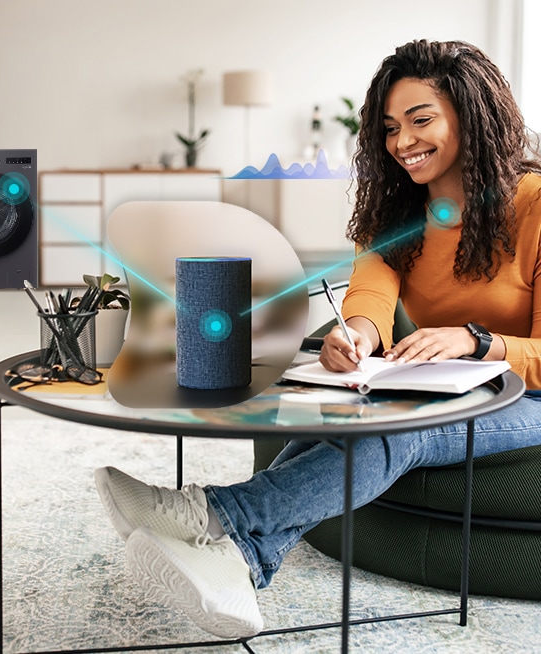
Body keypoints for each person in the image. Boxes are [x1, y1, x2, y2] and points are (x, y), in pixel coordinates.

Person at [94, 39, 541, 639]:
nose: (402, 143)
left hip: (526, 394)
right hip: (451, 381)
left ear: (473, 113)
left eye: (420, 120)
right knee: (352, 408)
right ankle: (246, 562)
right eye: (389, 128)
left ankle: (210, 513)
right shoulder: (397, 210)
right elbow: (373, 294)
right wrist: (354, 335)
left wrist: (477, 342)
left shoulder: (534, 206)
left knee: (404, 434)